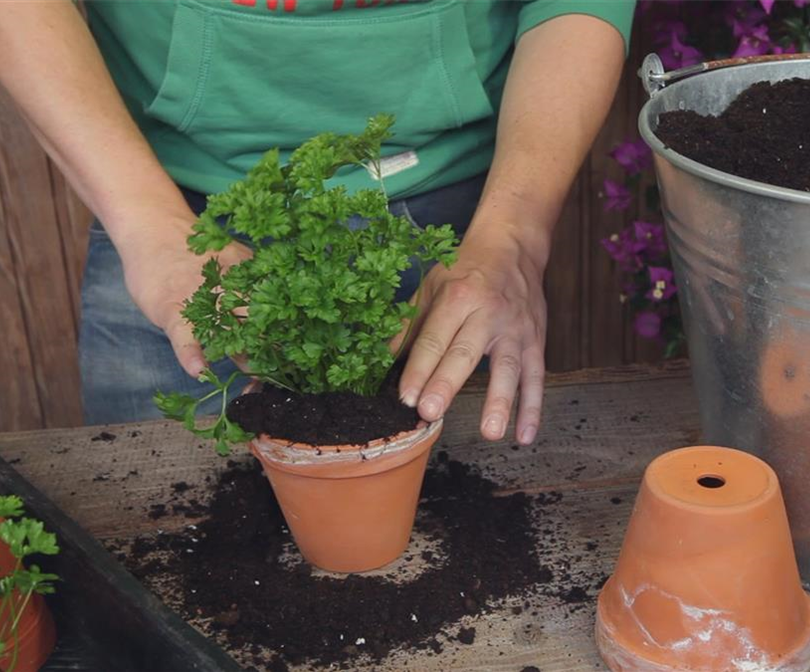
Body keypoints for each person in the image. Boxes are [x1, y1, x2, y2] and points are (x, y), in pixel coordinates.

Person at [0, 0, 633, 445]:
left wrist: (515, 233)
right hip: (158, 204)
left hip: (463, 224)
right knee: (149, 543)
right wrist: (146, 222)